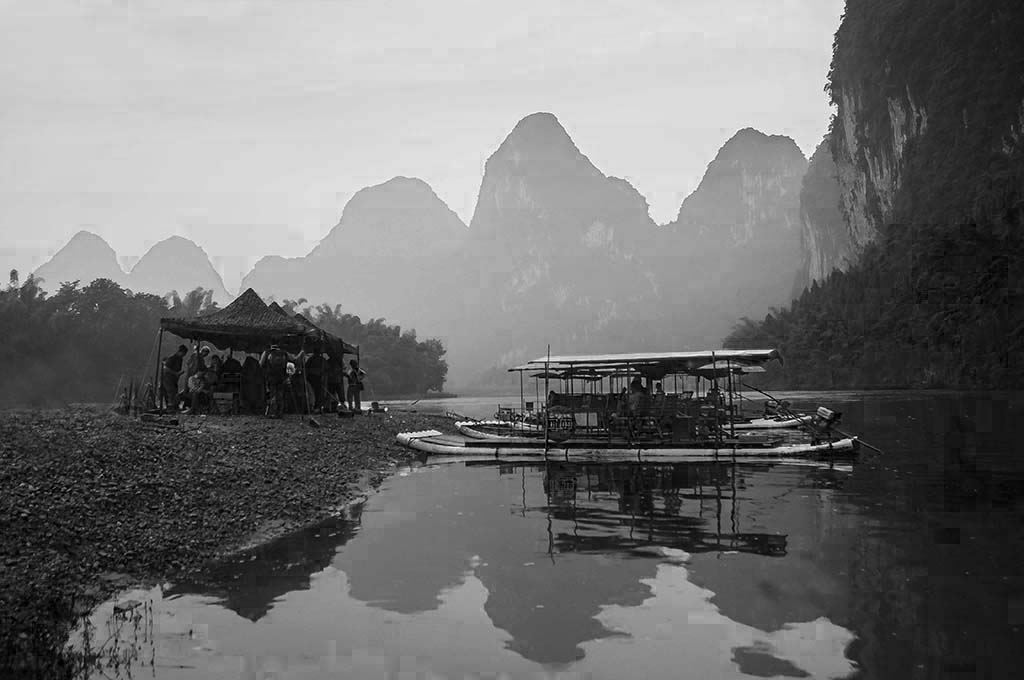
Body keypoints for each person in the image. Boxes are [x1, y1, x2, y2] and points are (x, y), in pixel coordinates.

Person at [260, 343, 289, 418]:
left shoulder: (267, 352)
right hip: (281, 377)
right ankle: (280, 412)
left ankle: (272, 412)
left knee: (272, 394)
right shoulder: (284, 353)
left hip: (271, 377)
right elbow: (291, 363)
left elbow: (261, 364)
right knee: (280, 395)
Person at [160, 345, 188, 411]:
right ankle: (170, 407)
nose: (184, 355)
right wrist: (175, 373)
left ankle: (173, 406)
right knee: (171, 392)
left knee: (175, 392)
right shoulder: (172, 358)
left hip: (174, 379)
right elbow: (166, 368)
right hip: (167, 378)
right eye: (183, 353)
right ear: (180, 352)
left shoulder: (180, 359)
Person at [305, 349, 327, 413]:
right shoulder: (312, 359)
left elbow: (325, 369)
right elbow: (306, 368)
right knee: (314, 393)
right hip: (312, 377)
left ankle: (317, 406)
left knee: (318, 393)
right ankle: (315, 406)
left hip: (318, 377)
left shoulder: (321, 360)